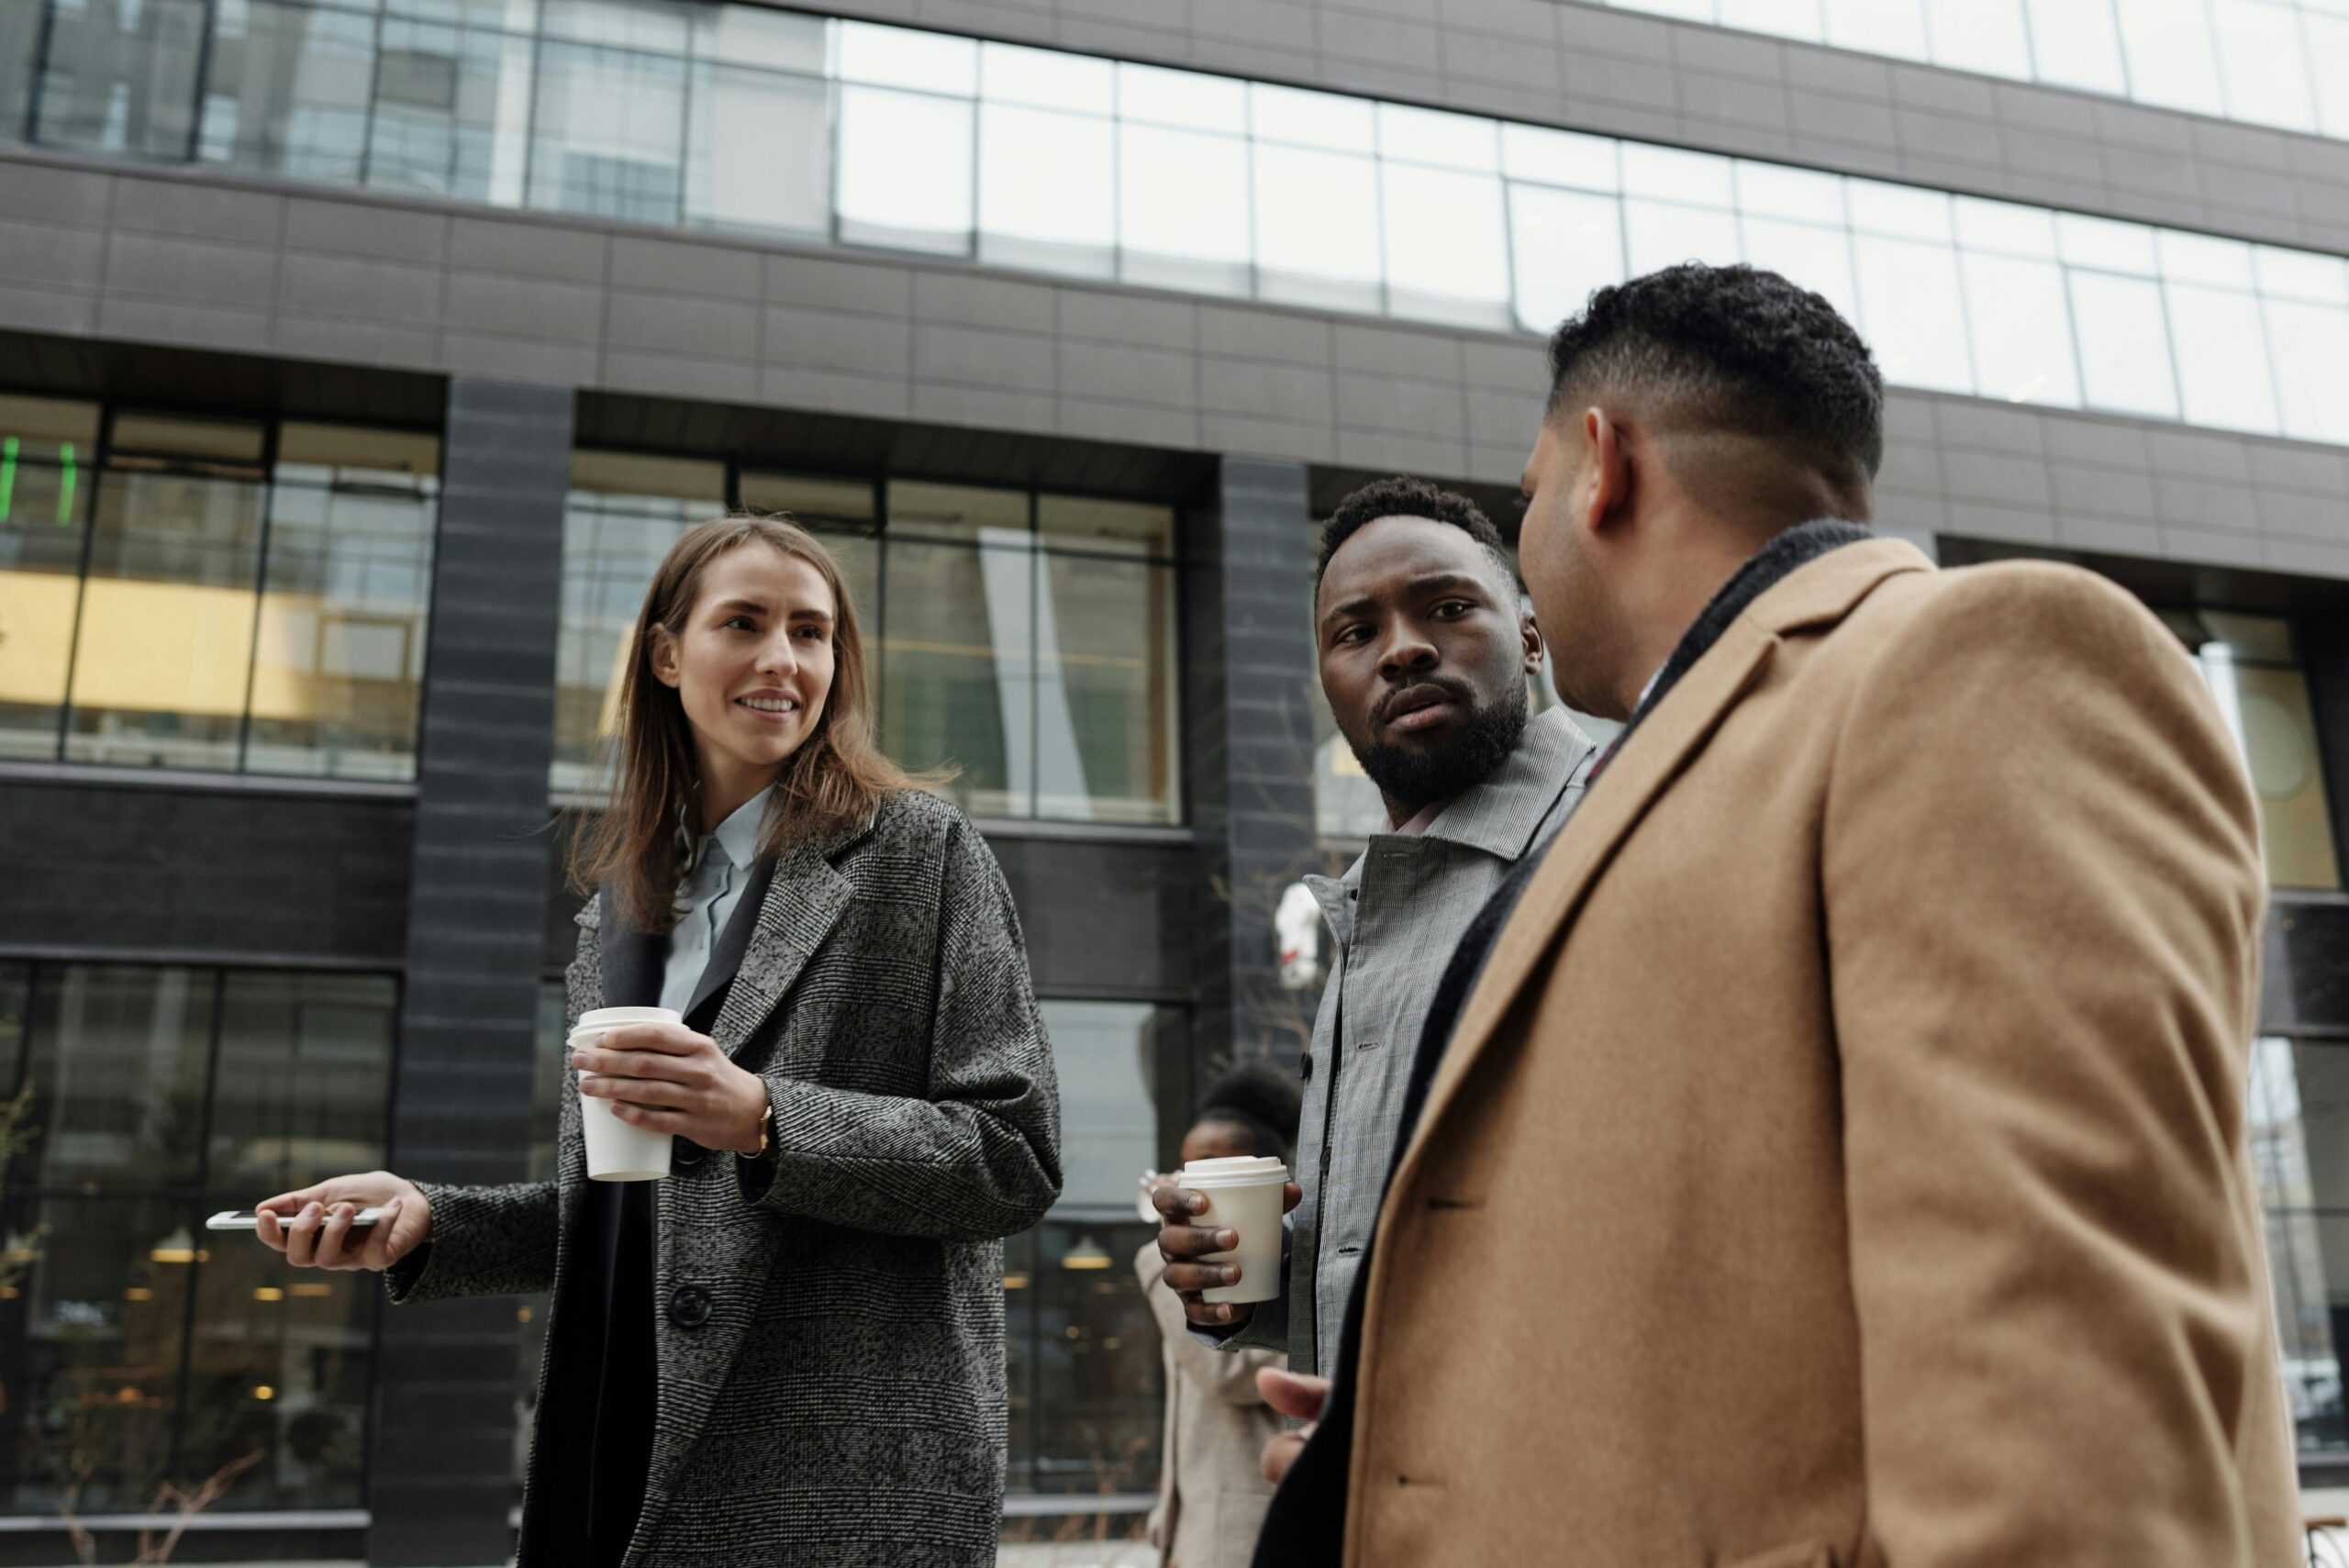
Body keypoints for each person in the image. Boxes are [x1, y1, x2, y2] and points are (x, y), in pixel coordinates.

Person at [1253, 262, 2302, 1567]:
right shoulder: (1678, 779)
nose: (1527, 548)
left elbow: (2064, 1395)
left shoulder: (1977, 663)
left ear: (1601, 465)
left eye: (1524, 503)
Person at [253, 514, 1063, 1568]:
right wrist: (430, 1224)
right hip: (613, 1451)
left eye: (811, 633)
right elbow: (648, 1211)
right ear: (668, 652)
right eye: (745, 622)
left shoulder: (917, 852)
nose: (783, 658)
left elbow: (1014, 1155)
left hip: (829, 1486)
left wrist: (766, 1118)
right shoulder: (625, 907)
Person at [1151, 477, 1597, 1378]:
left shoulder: (1616, 833)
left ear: (1531, 634)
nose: (1401, 650)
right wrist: (1252, 1281)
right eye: (1355, 632)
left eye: (1447, 606)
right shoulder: (1369, 902)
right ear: (1329, 680)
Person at [1135, 1065, 1303, 1568]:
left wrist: (1155, 1259)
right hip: (1191, 1526)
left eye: (1210, 1162)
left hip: (1245, 1529)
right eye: (1187, 1165)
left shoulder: (1286, 1258)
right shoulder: (1196, 1259)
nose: (1191, 1178)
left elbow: (1225, 1372)